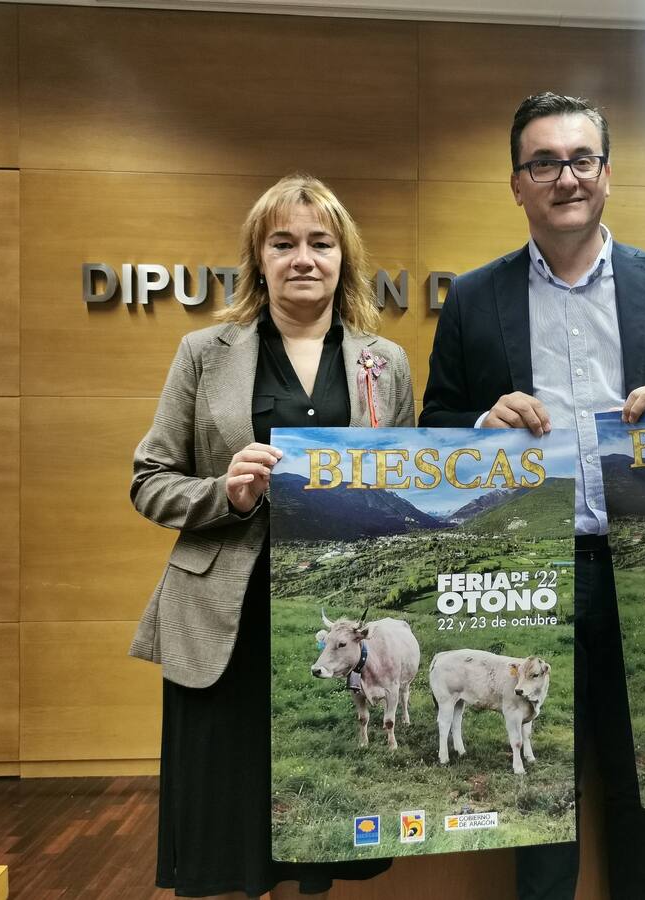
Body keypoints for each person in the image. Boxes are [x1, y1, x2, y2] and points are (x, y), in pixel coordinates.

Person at [420, 92, 645, 900]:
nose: (565, 177)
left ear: (607, 174)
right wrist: (482, 423)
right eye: (544, 162)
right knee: (540, 792)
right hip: (533, 570)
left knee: (644, 781)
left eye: (581, 159)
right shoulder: (475, 297)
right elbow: (436, 424)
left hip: (642, 569)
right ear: (517, 183)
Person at [129, 174, 414, 899]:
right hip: (228, 609)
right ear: (258, 258)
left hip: (331, 607)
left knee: (315, 829)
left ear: (344, 258)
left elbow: (405, 484)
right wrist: (224, 492)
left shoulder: (387, 363)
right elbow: (149, 479)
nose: (303, 258)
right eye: (282, 243)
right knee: (225, 832)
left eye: (320, 243)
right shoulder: (204, 352)